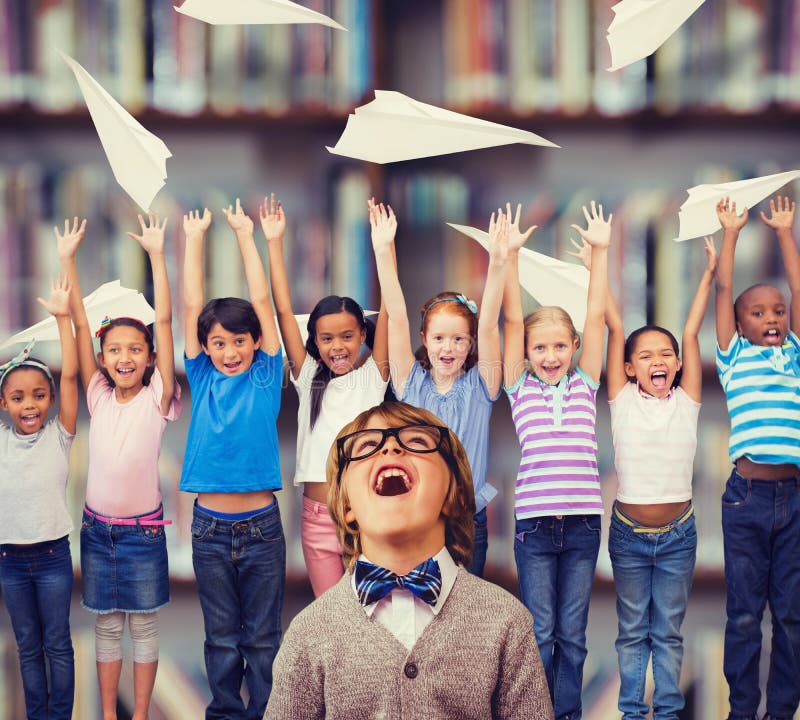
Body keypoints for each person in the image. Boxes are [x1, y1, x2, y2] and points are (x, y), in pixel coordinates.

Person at [263, 400, 554, 720]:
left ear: (454, 496)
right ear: (347, 507)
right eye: (367, 446)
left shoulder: (507, 622)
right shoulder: (308, 634)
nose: (390, 448)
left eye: (416, 441)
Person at [569, 232, 716, 719]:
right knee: (633, 631)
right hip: (629, 536)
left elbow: (692, 329)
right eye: (646, 355)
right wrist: (596, 264)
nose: (658, 360)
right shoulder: (622, 399)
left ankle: (667, 713)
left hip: (679, 535)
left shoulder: (687, 400)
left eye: (666, 354)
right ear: (630, 368)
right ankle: (633, 713)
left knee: (668, 632)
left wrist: (710, 273)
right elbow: (614, 325)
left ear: (678, 364)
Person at [62, 214, 181, 720]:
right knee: (107, 626)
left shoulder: (157, 398)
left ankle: (140, 714)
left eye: (135, 349)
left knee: (144, 627)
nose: (125, 357)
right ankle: (109, 713)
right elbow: (79, 324)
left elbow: (167, 323)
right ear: (103, 357)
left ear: (151, 358)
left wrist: (157, 255)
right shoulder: (97, 394)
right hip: (97, 532)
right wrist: (67, 260)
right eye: (114, 350)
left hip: (142, 536)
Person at [503, 200, 610, 720]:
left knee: (573, 635)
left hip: (584, 524)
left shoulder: (585, 384)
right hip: (536, 527)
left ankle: (567, 714)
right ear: (526, 352)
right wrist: (508, 259)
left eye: (560, 347)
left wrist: (600, 255)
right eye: (540, 348)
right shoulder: (518, 388)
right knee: (540, 632)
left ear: (574, 347)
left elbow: (597, 316)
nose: (550, 357)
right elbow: (509, 318)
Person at [368, 200, 516, 576]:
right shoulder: (411, 384)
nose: (447, 348)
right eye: (438, 338)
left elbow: (489, 325)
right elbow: (396, 317)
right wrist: (383, 249)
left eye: (458, 339)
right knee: (423, 603)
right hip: (421, 517)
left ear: (470, 343)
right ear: (424, 339)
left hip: (469, 520)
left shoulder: (481, 386)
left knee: (465, 605)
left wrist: (498, 262)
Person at [181, 200, 285, 720]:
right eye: (218, 343)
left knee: (263, 639)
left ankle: (266, 712)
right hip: (209, 529)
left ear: (256, 342)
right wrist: (195, 239)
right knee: (221, 638)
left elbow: (263, 300)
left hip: (262, 527)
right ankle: (225, 713)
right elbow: (190, 304)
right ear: (204, 347)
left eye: (239, 341)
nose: (229, 352)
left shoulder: (266, 374)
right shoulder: (200, 376)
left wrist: (246, 236)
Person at [262, 193, 389, 596]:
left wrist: (382, 247)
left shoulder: (373, 377)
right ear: (314, 341)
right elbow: (284, 312)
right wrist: (274, 243)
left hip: (365, 515)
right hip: (316, 518)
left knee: (370, 613)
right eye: (327, 338)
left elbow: (391, 310)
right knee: (330, 617)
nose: (338, 346)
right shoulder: (308, 376)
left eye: (348, 336)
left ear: (363, 335)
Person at [714, 195, 800, 720]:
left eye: (778, 311)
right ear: (739, 324)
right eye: (758, 312)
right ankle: (742, 711)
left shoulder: (795, 354)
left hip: (794, 499)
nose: (771, 318)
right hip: (746, 499)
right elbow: (724, 289)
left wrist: (785, 233)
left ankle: (783, 711)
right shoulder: (733, 356)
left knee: (790, 615)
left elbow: (799, 290)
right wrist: (732, 233)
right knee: (745, 616)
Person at [0, 268, 78, 720]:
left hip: (52, 557)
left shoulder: (59, 436)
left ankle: (60, 715)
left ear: (50, 399)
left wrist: (63, 319)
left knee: (57, 644)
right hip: (10, 560)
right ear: (4, 404)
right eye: (18, 398)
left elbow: (71, 377)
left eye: (38, 395)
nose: (29, 405)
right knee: (28, 646)